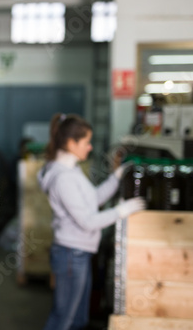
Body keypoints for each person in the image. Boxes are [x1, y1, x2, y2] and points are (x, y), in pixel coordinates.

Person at [37, 113, 145, 330]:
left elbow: (92, 200)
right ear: (70, 143)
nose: (90, 147)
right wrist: (120, 211)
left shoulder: (71, 170)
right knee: (63, 318)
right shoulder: (63, 178)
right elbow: (87, 220)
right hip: (70, 254)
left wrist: (116, 177)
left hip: (78, 252)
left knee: (78, 319)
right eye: (86, 142)